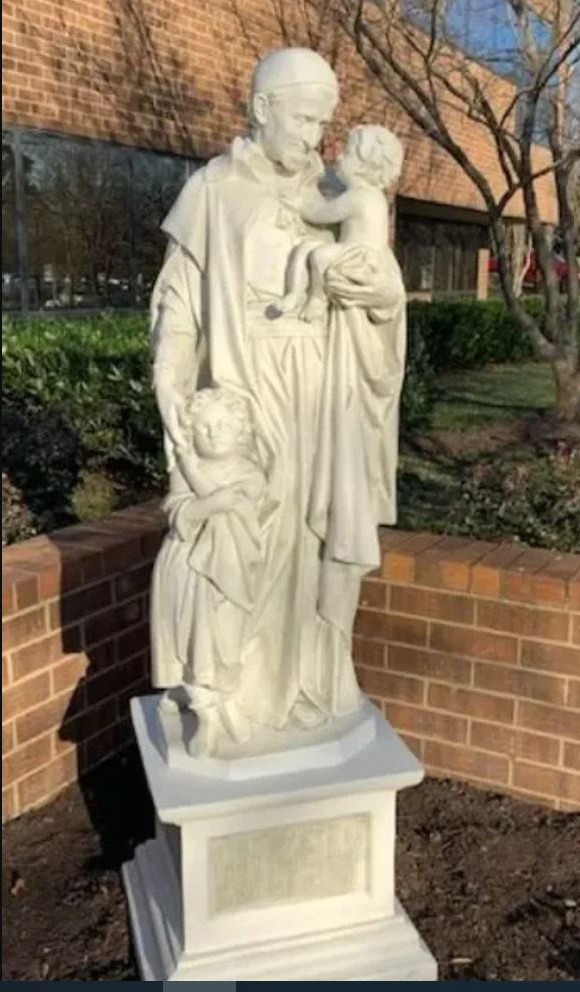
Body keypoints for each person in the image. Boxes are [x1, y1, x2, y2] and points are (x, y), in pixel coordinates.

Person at [150, 48, 407, 754]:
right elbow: (179, 306)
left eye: (323, 123)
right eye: (303, 119)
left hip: (324, 392)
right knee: (246, 539)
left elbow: (383, 290)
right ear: (262, 108)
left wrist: (380, 294)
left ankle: (313, 684)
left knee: (317, 541)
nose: (315, 136)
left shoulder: (337, 190)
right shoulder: (213, 190)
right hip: (247, 391)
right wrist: (170, 382)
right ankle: (233, 692)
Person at [151, 388, 265, 754]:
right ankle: (206, 715)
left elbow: (232, 504)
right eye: (204, 427)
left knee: (226, 641)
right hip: (187, 566)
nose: (214, 434)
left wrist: (192, 471)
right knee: (192, 640)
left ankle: (227, 701)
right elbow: (178, 513)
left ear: (240, 430)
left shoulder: (249, 472)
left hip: (230, 571)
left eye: (223, 426)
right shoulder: (182, 473)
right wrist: (203, 497)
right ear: (190, 431)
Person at [277, 125, 404, 322]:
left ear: (364, 167)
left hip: (359, 257)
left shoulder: (357, 197)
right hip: (369, 257)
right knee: (304, 249)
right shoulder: (376, 196)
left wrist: (299, 204)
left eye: (348, 153)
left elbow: (322, 214)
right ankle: (293, 294)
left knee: (319, 255)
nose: (339, 157)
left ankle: (318, 297)